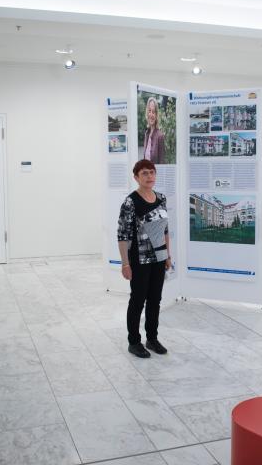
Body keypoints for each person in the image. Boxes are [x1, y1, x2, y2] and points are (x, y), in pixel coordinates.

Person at [117, 159, 172, 358]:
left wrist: (167, 255)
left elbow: (165, 229)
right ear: (136, 177)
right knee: (138, 300)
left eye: (152, 172)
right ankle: (134, 341)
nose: (149, 177)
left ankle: (152, 338)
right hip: (139, 260)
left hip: (159, 258)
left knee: (155, 300)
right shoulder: (130, 202)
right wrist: (125, 263)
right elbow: (123, 235)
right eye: (144, 174)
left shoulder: (161, 198)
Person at [142, 96, 166, 164]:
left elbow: (162, 162)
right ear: (147, 113)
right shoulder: (146, 134)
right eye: (149, 111)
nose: (151, 114)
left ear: (156, 115)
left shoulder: (160, 136)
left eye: (154, 112)